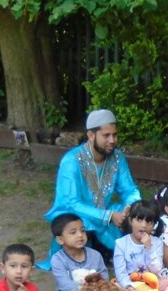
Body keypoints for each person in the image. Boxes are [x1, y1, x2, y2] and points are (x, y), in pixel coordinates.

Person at [43, 109, 141, 260]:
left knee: (140, 212)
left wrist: (129, 208)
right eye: (106, 135)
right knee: (83, 224)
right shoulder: (72, 161)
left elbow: (130, 190)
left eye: (114, 135)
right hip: (75, 215)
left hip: (105, 212)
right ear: (91, 135)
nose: (112, 140)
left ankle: (117, 252)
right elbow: (72, 203)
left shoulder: (117, 157)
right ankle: (102, 251)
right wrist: (107, 216)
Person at [48, 214, 109, 291]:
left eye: (82, 230)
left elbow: (104, 277)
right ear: (60, 240)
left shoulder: (95, 255)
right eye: (73, 232)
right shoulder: (57, 259)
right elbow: (66, 285)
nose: (80, 235)